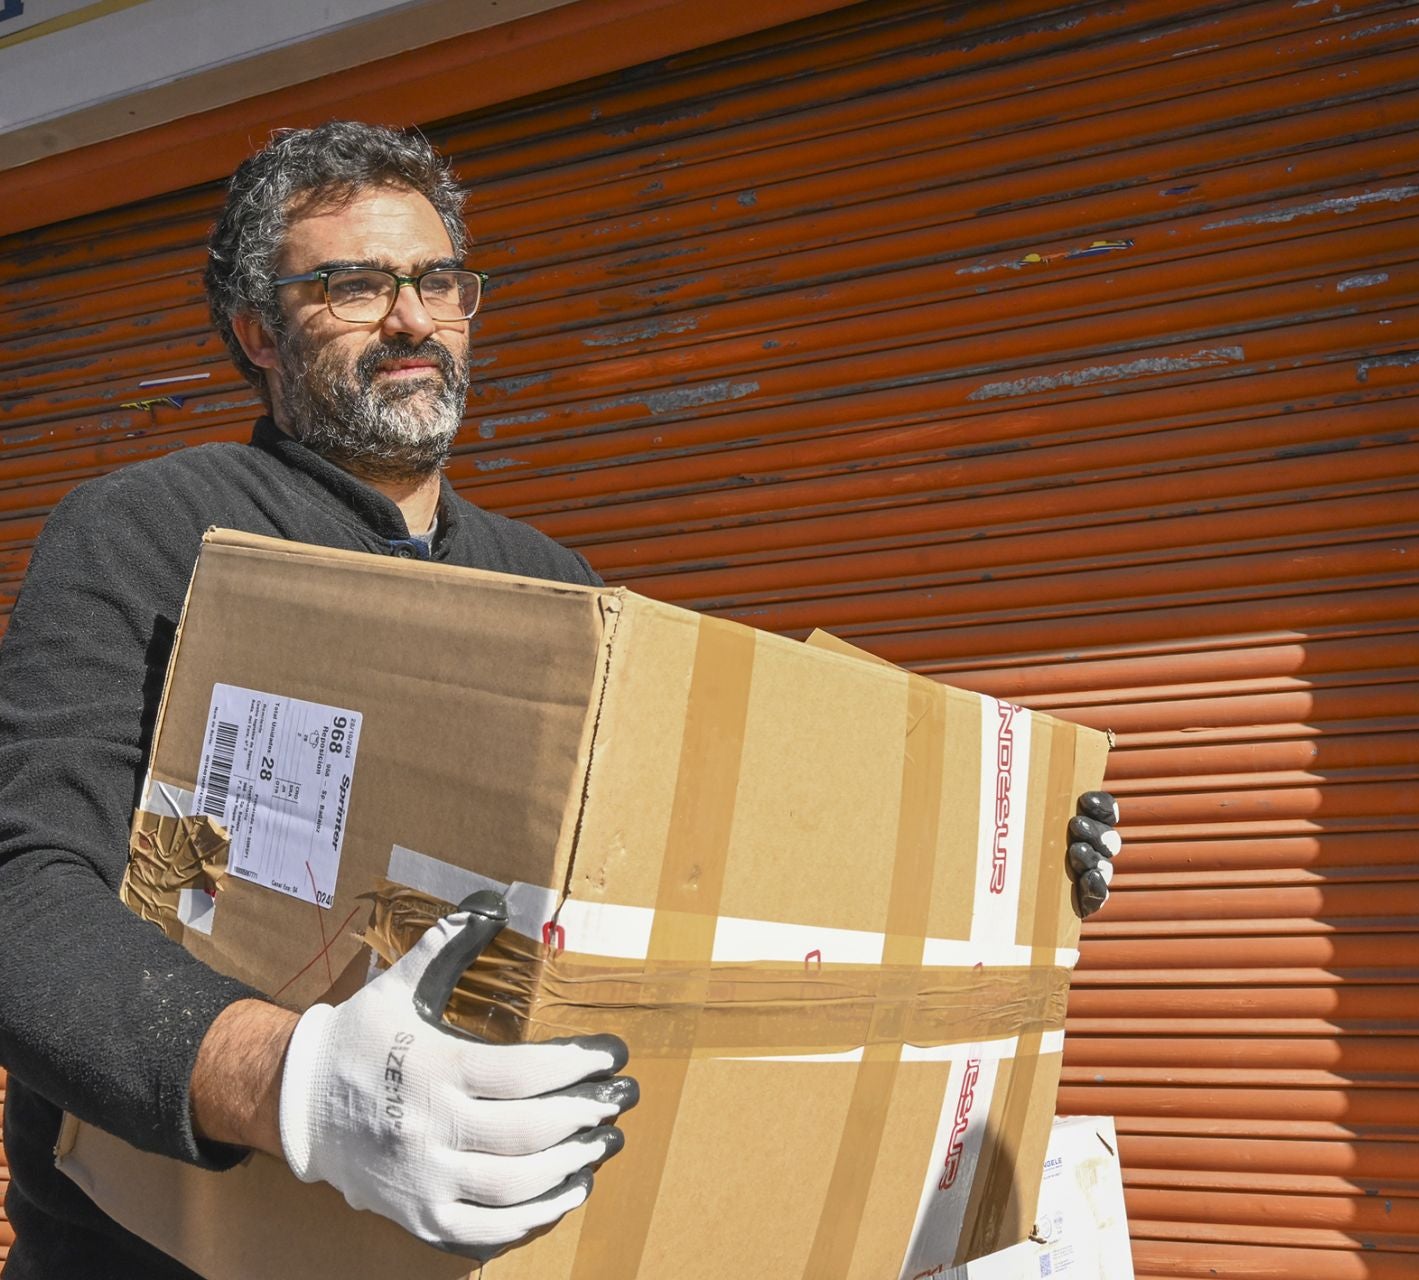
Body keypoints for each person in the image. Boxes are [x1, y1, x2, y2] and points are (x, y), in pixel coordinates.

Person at [0, 122, 1121, 1277]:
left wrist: (1015, 865)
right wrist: (297, 1085)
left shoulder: (554, 585)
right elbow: (23, 894)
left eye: (439, 281)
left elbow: (719, 881)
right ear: (256, 333)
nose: (413, 319)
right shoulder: (145, 534)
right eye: (353, 284)